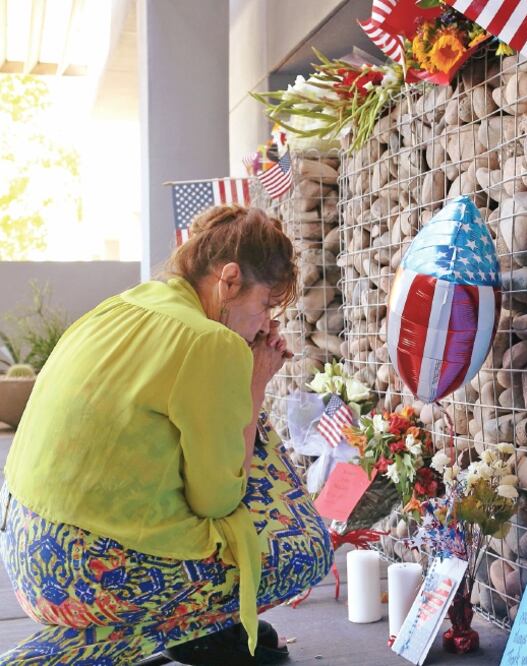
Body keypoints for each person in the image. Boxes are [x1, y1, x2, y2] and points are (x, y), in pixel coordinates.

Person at [0, 205, 334, 665]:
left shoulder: (123, 305)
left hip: (24, 545)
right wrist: (254, 384)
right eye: (264, 306)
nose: (266, 326)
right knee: (306, 551)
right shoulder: (210, 342)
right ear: (229, 280)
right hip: (82, 571)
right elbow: (217, 501)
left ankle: (206, 633)